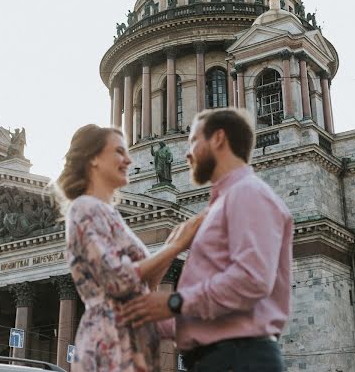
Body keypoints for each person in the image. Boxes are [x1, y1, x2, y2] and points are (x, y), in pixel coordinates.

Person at [123, 108, 293, 372]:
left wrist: (174, 302)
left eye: (193, 141)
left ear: (218, 139)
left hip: (239, 358)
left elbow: (251, 279)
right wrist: (150, 306)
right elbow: (203, 312)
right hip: (218, 359)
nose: (187, 153)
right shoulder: (220, 206)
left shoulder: (247, 193)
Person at [56, 124, 203, 372]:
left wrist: (173, 245)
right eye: (119, 152)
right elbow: (116, 280)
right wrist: (175, 246)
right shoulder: (84, 208)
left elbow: (147, 285)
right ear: (94, 160)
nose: (128, 159)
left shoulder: (109, 213)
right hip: (106, 342)